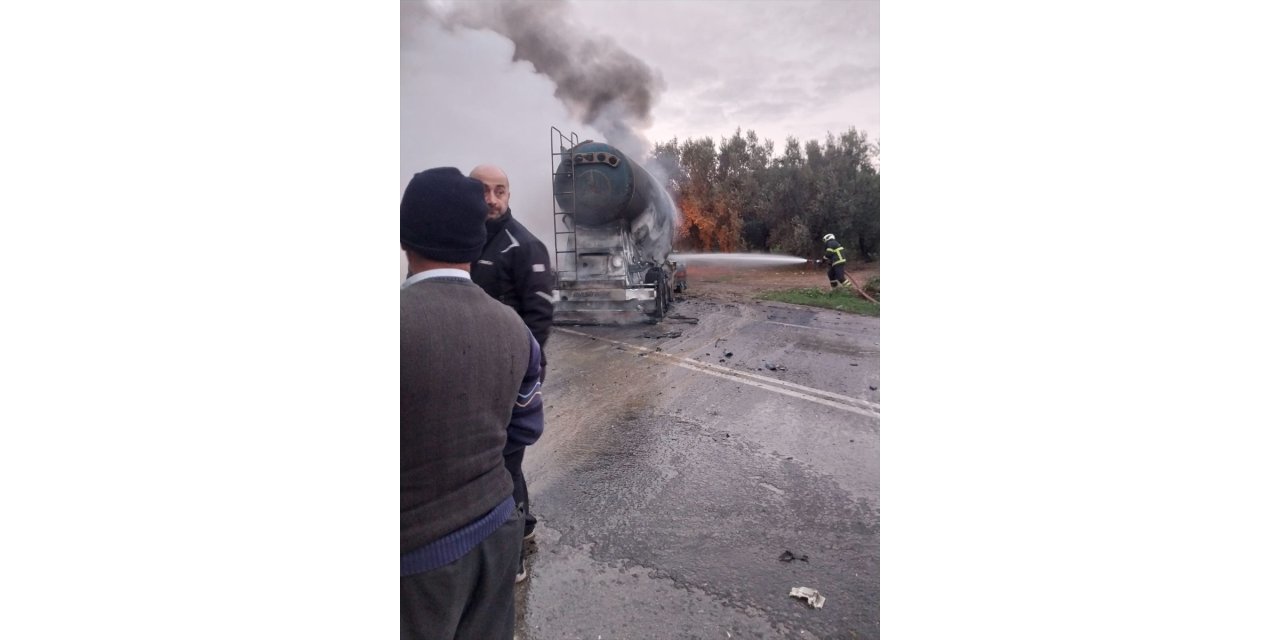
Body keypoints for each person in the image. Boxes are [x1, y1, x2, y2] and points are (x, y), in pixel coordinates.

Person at [401, 167, 544, 639]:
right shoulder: (516, 332)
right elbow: (524, 429)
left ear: (405, 238)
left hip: (416, 563)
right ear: (474, 238)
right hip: (495, 533)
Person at [468, 164, 555, 582]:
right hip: (469, 377)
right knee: (496, 463)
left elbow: (539, 322)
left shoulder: (525, 246)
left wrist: (520, 380)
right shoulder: (461, 243)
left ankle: (513, 554)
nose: (492, 199)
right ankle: (527, 527)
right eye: (483, 190)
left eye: (499, 191)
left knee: (504, 464)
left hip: (508, 381)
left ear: (509, 195)